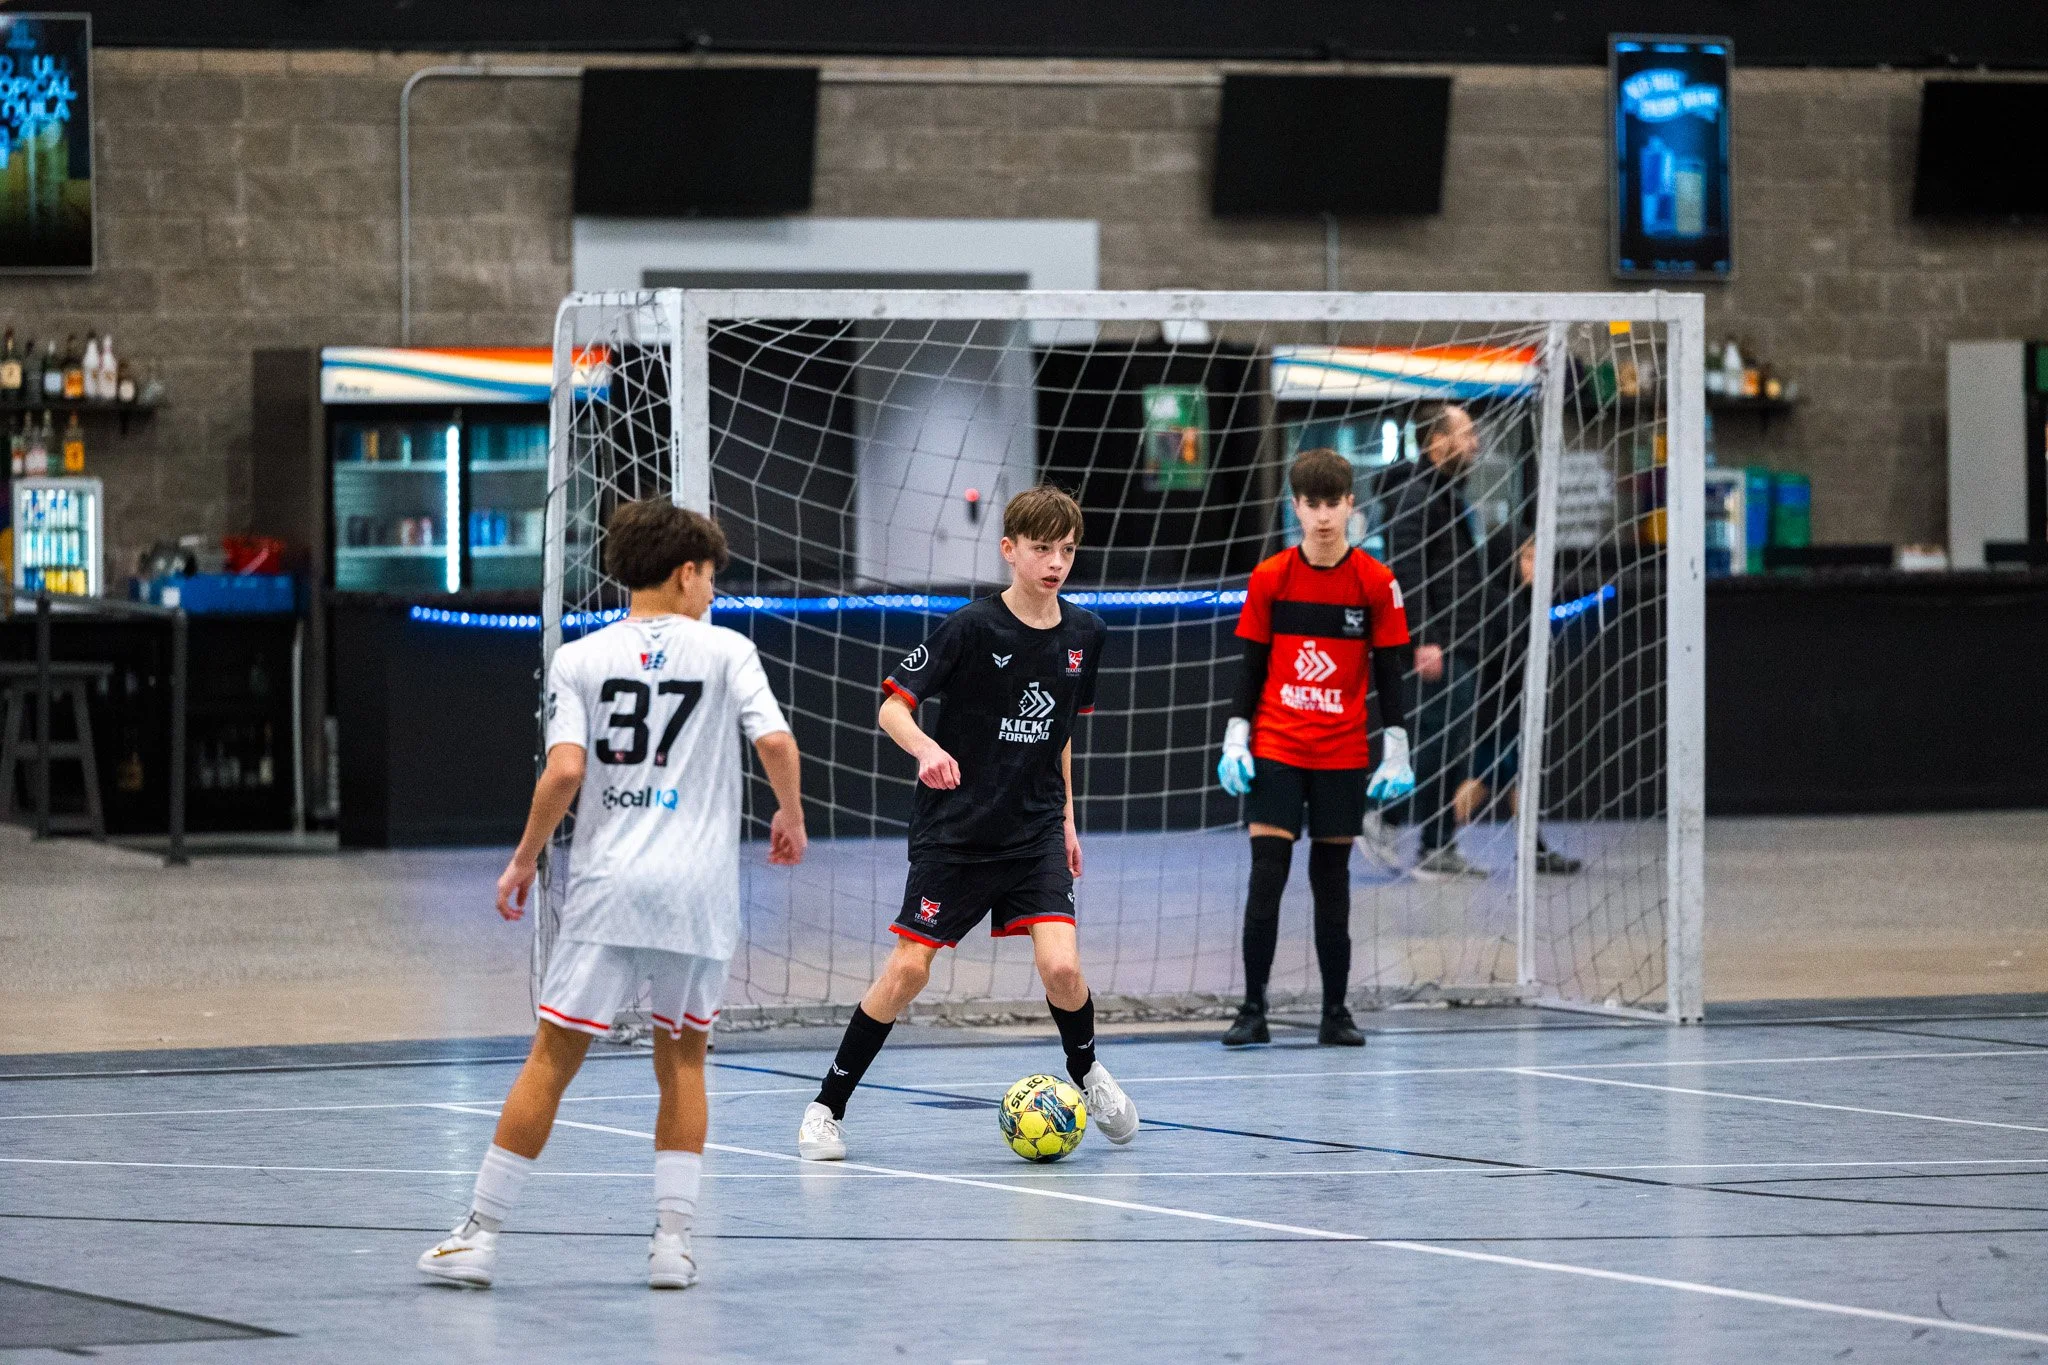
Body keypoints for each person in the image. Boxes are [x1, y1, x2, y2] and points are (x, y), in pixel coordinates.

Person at [418, 498, 808, 1291]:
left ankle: (480, 1235)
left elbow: (564, 772)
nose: (711, 594)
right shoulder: (728, 651)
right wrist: (791, 813)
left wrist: (524, 859)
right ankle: (672, 1244)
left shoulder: (580, 658)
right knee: (685, 1060)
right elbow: (773, 740)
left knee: (554, 1056)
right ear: (686, 570)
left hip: (608, 890)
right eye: (709, 579)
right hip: (698, 892)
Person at [796, 484, 1139, 1160]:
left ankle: (1088, 1071)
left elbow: (1061, 733)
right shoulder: (971, 627)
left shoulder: (1085, 634)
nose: (1056, 562)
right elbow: (893, 706)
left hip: (1035, 827)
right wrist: (926, 748)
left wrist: (1067, 820)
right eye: (1042, 548)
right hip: (955, 831)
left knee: (1062, 967)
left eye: (1067, 549)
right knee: (909, 971)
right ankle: (825, 1107)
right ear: (1009, 550)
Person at [1214, 448, 1416, 1048]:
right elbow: (1250, 667)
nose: (1324, 516)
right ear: (1296, 507)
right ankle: (1252, 1011)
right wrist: (1236, 735)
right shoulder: (1271, 578)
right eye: (1312, 505)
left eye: (1334, 504)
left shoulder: (1376, 582)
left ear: (1351, 505)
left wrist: (1397, 747)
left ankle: (1336, 1013)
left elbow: (1390, 672)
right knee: (1266, 876)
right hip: (1276, 746)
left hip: (1343, 753)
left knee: (1333, 883)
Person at [1380, 400, 1494, 881]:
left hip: (1462, 640)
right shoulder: (1417, 496)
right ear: (1436, 443)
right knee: (1432, 743)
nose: (1475, 442)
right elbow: (1405, 572)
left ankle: (1439, 845)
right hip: (1439, 643)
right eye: (1465, 434)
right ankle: (1382, 814)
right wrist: (1423, 639)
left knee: (1452, 747)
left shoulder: (1449, 497)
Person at [1453, 535, 1582, 874]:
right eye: (1528, 557)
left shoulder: (1523, 602)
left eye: (1541, 557)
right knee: (1488, 776)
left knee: (1515, 779)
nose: (1538, 566)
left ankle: (1533, 849)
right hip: (1496, 710)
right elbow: (1505, 659)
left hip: (1512, 708)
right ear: (1508, 561)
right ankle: (1435, 839)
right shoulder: (1500, 602)